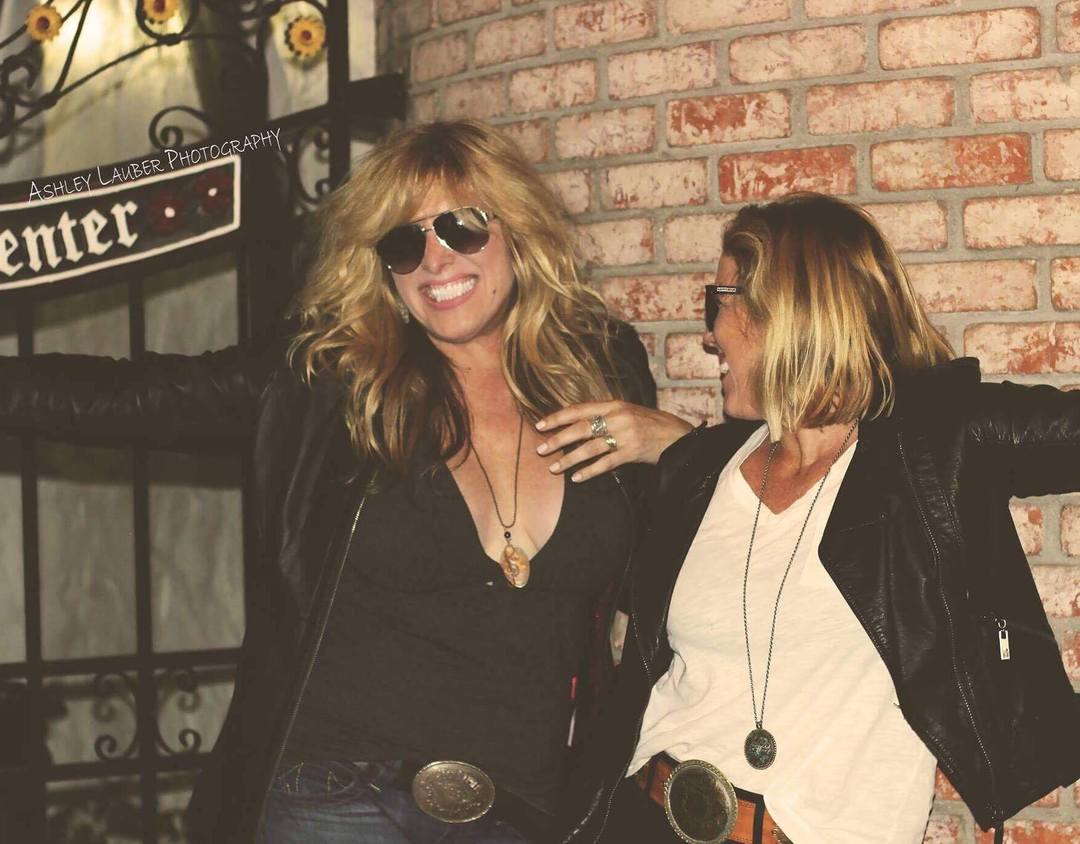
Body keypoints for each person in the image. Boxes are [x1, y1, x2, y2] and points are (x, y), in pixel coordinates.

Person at [0, 120, 693, 843]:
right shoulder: (332, 382)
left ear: (517, 231)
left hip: (520, 806)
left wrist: (677, 446)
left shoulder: (602, 368)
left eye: (461, 227)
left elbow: (694, 557)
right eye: (403, 243)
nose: (434, 259)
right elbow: (133, 397)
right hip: (334, 793)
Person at [557, 192, 1080, 844]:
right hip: (646, 815)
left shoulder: (933, 453)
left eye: (718, 302)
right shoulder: (701, 471)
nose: (708, 334)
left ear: (787, 308)